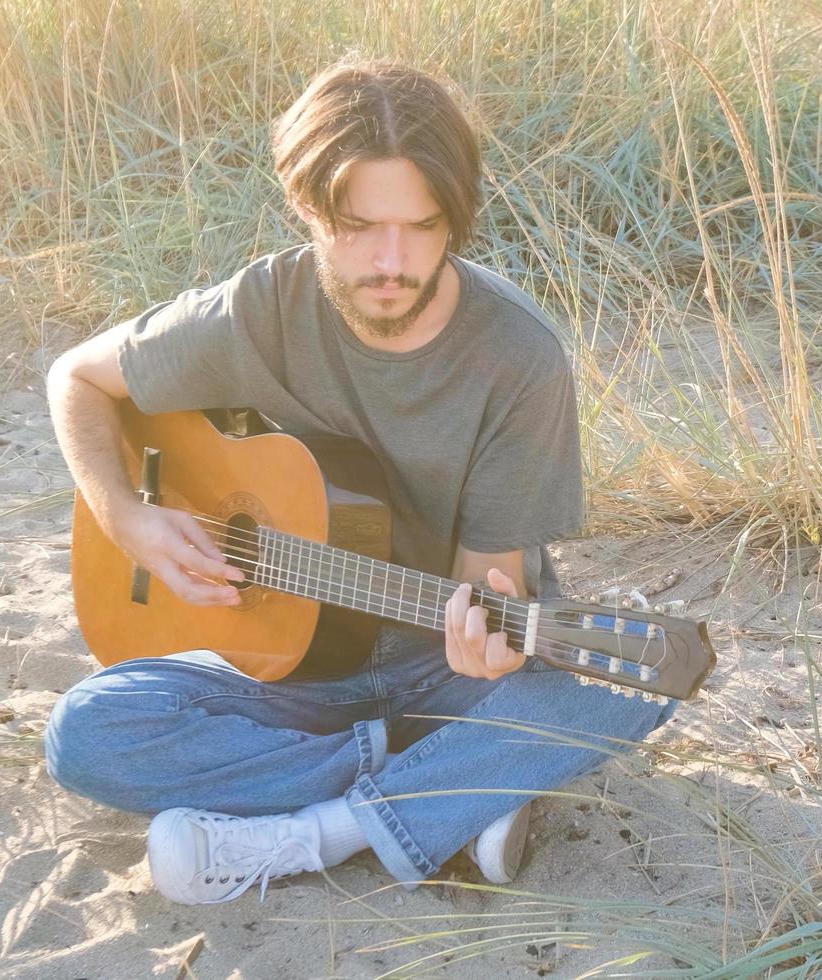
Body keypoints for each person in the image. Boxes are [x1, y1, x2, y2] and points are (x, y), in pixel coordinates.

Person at [41, 58, 677, 905]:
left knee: (610, 694)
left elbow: (486, 586)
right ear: (306, 209)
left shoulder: (516, 358)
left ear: (453, 216)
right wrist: (127, 518)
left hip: (438, 670)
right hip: (272, 673)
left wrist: (484, 644)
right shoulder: (257, 310)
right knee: (87, 734)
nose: (391, 260)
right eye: (358, 226)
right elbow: (76, 381)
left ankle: (309, 835)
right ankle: (438, 798)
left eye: (421, 226)